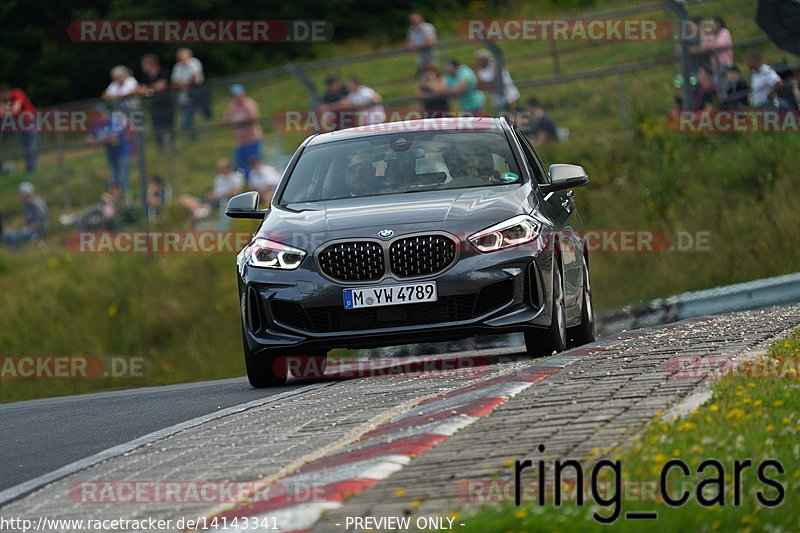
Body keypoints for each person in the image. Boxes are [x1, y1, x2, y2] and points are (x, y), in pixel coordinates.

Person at [180, 159, 244, 226]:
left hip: (222, 200)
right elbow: (215, 190)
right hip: (212, 198)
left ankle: (200, 211)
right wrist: (211, 194)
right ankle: (198, 209)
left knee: (197, 213)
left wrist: (217, 195)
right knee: (184, 199)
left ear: (228, 168)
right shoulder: (219, 177)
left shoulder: (236, 176)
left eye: (221, 168)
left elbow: (233, 192)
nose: (219, 170)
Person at [87, 104, 131, 193]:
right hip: (110, 153)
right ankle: (116, 198)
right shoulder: (97, 123)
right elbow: (89, 140)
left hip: (121, 151)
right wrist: (105, 140)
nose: (99, 116)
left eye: (100, 113)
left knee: (122, 176)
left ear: (105, 112)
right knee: (113, 177)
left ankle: (126, 197)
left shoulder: (114, 120)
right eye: (97, 114)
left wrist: (98, 141)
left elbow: (113, 137)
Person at [224, 84, 263, 180]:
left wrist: (237, 121)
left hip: (252, 139)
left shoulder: (249, 104)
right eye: (234, 95)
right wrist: (239, 120)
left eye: (237, 94)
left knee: (253, 163)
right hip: (241, 142)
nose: (236, 97)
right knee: (240, 165)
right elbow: (226, 119)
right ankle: (247, 183)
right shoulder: (232, 106)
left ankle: (257, 182)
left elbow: (254, 116)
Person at [0, 83, 38, 173]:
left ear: (6, 92)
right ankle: (29, 169)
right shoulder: (3, 100)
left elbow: (15, 110)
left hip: (29, 122)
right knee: (24, 147)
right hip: (19, 125)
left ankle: (31, 169)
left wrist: (4, 112)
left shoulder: (17, 93)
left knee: (30, 146)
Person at [138, 54, 174, 146]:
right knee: (156, 125)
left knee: (168, 125)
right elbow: (141, 89)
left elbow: (161, 86)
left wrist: (148, 88)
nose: (143, 68)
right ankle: (161, 145)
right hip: (154, 104)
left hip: (166, 103)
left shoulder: (162, 72)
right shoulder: (146, 77)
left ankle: (170, 144)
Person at [320, 77, 386, 126]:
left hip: (378, 118)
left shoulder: (366, 91)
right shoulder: (351, 95)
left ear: (356, 84)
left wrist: (361, 105)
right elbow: (344, 104)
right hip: (367, 122)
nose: (348, 86)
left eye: (350, 84)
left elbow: (377, 100)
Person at [171, 48, 204, 140]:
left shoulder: (194, 63)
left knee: (186, 120)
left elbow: (195, 77)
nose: (181, 59)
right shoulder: (177, 66)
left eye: (182, 57)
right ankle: (192, 137)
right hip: (183, 96)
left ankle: (194, 138)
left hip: (194, 95)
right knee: (188, 118)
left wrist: (184, 85)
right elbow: (174, 81)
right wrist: (183, 85)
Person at [475, 49, 520, 115]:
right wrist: (487, 84)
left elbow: (496, 82)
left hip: (510, 96)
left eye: (480, 59)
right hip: (497, 100)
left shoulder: (495, 65)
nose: (478, 62)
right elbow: (479, 85)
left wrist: (486, 84)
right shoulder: (480, 69)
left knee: (514, 116)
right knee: (504, 118)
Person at [4, 182, 47, 248]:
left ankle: (17, 254)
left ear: (27, 194)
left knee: (13, 237)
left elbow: (40, 222)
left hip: (38, 232)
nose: (21, 197)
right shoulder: (26, 205)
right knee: (8, 236)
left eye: (22, 195)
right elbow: (27, 221)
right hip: (29, 230)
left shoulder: (37, 205)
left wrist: (27, 230)